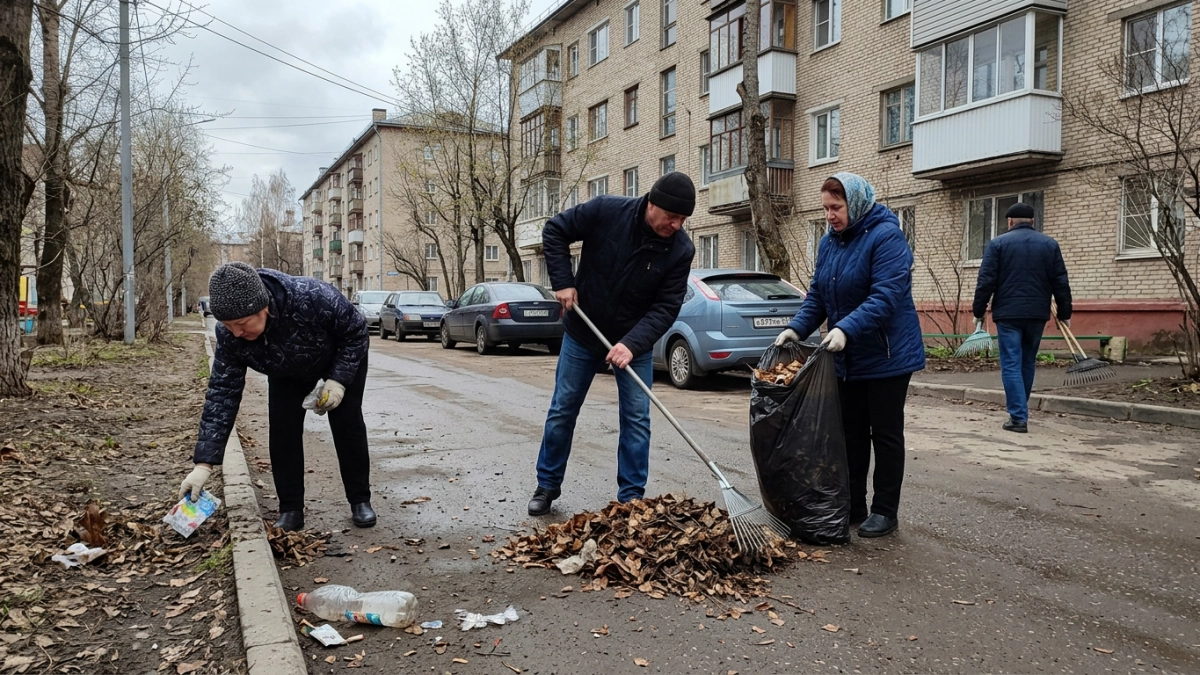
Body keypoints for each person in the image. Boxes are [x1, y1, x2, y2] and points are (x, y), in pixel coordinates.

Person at [527, 172, 697, 516]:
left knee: (636, 418)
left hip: (634, 341)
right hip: (583, 331)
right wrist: (563, 281)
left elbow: (666, 308)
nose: (677, 225)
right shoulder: (607, 211)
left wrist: (632, 345)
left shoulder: (681, 250)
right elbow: (555, 230)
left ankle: (631, 497)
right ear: (652, 204)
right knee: (563, 410)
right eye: (672, 217)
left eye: (683, 219)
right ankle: (547, 485)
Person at [774, 172, 925, 539]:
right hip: (847, 356)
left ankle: (885, 510)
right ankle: (853, 503)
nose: (829, 215)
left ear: (854, 204)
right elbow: (819, 295)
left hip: (887, 355)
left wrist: (845, 328)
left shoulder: (886, 236)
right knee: (849, 433)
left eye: (836, 207)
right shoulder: (831, 243)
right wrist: (797, 327)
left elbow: (886, 296)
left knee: (885, 433)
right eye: (825, 208)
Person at [178, 261, 376, 532]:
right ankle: (291, 509)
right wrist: (204, 463)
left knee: (347, 424)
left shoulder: (314, 296)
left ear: (263, 308)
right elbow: (222, 394)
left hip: (338, 358)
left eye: (242, 324)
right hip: (286, 371)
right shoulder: (230, 335)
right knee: (283, 431)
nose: (236, 332)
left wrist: (338, 380)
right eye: (228, 325)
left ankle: (360, 501)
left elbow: (355, 332)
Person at [971, 202, 1072, 434]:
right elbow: (1061, 282)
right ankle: (1020, 411)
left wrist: (978, 311)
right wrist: (1064, 314)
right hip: (1037, 314)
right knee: (1027, 361)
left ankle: (1018, 418)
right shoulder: (1049, 245)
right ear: (1033, 222)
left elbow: (985, 281)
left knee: (1011, 363)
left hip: (1008, 314)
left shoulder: (998, 244)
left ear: (1009, 222)